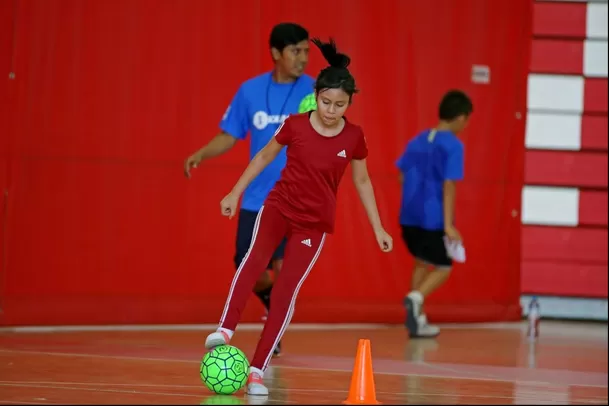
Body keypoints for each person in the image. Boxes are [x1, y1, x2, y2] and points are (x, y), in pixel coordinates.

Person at [204, 38, 393, 396]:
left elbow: (363, 180)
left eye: (340, 104)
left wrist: (378, 227)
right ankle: (225, 328)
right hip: (278, 207)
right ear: (316, 95)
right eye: (326, 102)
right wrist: (234, 192)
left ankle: (257, 371)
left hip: (313, 224)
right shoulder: (295, 125)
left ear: (349, 103)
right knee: (253, 261)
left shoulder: (354, 137)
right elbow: (261, 158)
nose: (331, 110)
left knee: (285, 294)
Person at [184, 23, 316, 357]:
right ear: (276, 53)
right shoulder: (250, 91)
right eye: (295, 51)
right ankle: (274, 306)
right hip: (257, 200)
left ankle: (273, 334)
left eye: (306, 51)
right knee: (249, 267)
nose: (302, 58)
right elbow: (229, 134)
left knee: (286, 274)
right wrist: (202, 152)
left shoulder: (314, 93)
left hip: (298, 199)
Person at [396, 90, 473, 339]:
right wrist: (448, 224)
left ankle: (416, 321)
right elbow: (449, 184)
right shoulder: (453, 145)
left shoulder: (417, 140)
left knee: (421, 260)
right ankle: (415, 297)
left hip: (409, 216)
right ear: (460, 117)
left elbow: (401, 174)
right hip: (433, 218)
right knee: (443, 266)